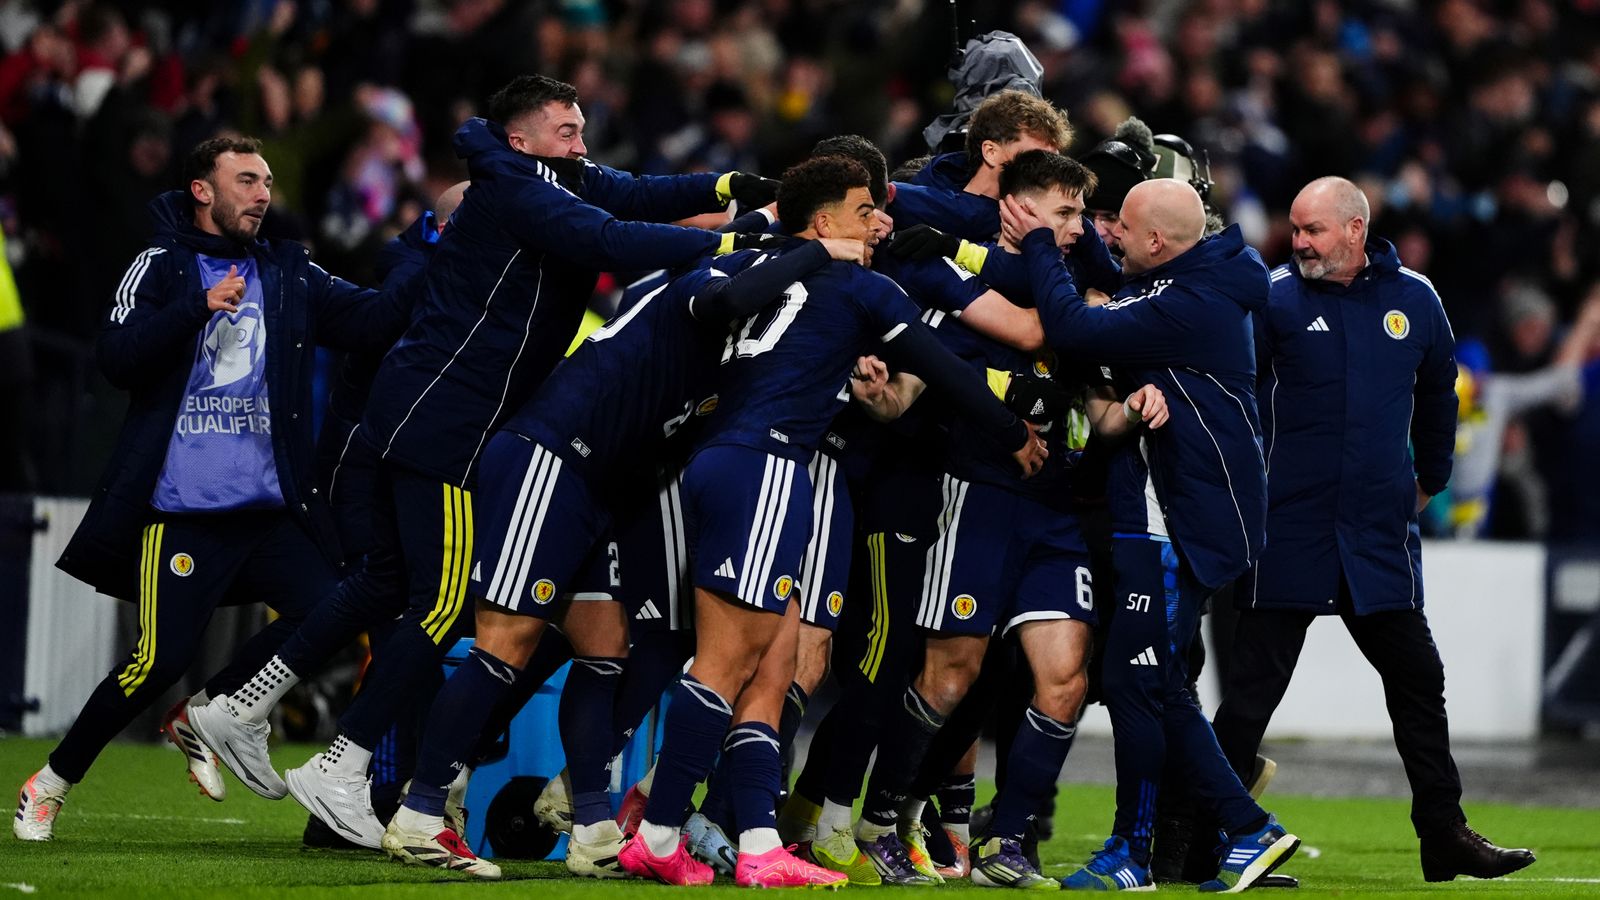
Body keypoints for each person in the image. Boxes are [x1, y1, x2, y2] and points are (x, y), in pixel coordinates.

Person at [186, 74, 778, 850]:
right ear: (523, 140)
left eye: (580, 128)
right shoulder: (515, 189)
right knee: (439, 604)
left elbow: (636, 191)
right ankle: (341, 766)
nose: (581, 143)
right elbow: (609, 240)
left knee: (385, 583)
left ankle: (237, 706)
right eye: (565, 131)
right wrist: (735, 240)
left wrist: (731, 187)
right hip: (449, 418)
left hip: (426, 407)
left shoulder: (541, 176)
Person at [379, 222, 868, 881]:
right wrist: (813, 251)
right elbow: (720, 297)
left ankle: (593, 828)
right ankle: (420, 812)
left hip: (598, 484)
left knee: (605, 646)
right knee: (505, 643)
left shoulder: (742, 336)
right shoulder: (712, 278)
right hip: (553, 459)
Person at [616, 155, 1047, 887]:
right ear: (822, 221)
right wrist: (1014, 436)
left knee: (775, 670)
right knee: (725, 665)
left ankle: (757, 844)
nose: (878, 224)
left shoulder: (758, 267)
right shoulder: (857, 284)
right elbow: (945, 368)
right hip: (772, 467)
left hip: (721, 458)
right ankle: (656, 832)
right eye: (861, 210)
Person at [15, 136, 410, 841]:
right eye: (247, 180)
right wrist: (196, 306)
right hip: (184, 511)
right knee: (153, 662)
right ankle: (50, 782)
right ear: (203, 190)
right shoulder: (161, 265)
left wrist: (426, 255)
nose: (263, 194)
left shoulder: (288, 272)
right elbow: (116, 358)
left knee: (331, 610)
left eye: (265, 181)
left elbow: (373, 320)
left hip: (266, 510)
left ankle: (215, 707)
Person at [843, 150, 1172, 891]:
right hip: (976, 502)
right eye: (1061, 214)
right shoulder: (975, 299)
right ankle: (877, 823)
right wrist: (878, 395)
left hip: (1054, 515)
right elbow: (909, 389)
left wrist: (1134, 413)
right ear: (1016, 213)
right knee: (950, 676)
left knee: (1065, 681)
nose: (1076, 229)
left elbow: (1094, 413)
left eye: (1078, 215)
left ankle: (1011, 842)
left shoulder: (1073, 307)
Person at [1209, 176, 1535, 883]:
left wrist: (1433, 480)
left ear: (1354, 231)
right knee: (1252, 694)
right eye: (1295, 230)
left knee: (1419, 680)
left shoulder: (1415, 299)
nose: (1299, 243)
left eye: (1313, 231)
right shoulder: (1273, 298)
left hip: (1375, 535)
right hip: (1288, 532)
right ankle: (1193, 834)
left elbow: (1440, 390)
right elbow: (1230, 396)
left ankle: (1444, 836)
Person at [1002, 178, 1300, 892]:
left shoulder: (1190, 304)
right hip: (1170, 512)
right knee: (1151, 683)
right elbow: (1117, 283)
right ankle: (1237, 828)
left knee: (1139, 685)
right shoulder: (1196, 282)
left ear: (1158, 243)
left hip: (1174, 517)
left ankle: (1142, 850)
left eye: (1122, 229)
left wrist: (1043, 238)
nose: (1107, 236)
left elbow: (1075, 328)